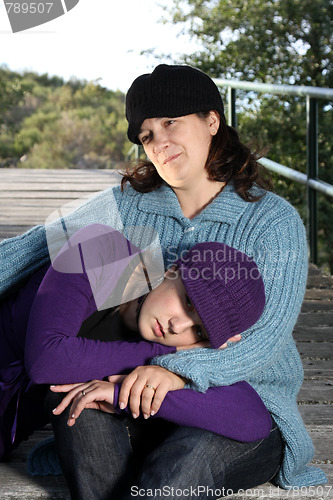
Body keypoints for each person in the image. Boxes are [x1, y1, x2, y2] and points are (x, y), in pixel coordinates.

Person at [0, 64, 327, 498]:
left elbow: (261, 342)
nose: (159, 143)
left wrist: (175, 370)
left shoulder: (271, 222)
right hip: (121, 380)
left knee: (180, 469)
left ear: (212, 120)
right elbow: (36, 248)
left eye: (171, 122)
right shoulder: (127, 205)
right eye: (147, 135)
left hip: (237, 396)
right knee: (81, 412)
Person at [0, 224, 269, 462]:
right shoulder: (100, 251)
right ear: (172, 271)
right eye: (188, 302)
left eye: (199, 331)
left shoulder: (173, 352)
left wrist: (123, 395)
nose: (178, 326)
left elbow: (253, 420)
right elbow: (47, 360)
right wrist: (170, 351)